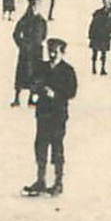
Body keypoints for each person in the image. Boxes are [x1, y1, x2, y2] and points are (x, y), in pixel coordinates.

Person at [23, 37, 79, 197]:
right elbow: (34, 82)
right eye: (50, 52)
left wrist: (55, 94)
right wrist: (35, 93)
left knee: (56, 146)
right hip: (43, 112)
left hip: (58, 114)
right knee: (40, 145)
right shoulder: (42, 67)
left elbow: (72, 91)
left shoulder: (68, 70)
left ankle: (58, 182)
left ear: (62, 52)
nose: (52, 54)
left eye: (55, 52)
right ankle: (40, 180)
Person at [11, 0, 47, 106]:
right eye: (32, 6)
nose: (34, 8)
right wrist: (21, 44)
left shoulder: (41, 20)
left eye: (36, 6)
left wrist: (38, 43)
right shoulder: (24, 19)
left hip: (36, 52)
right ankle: (17, 98)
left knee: (35, 75)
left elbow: (44, 35)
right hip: (25, 52)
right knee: (21, 74)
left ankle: (32, 98)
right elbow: (16, 34)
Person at [87, 0, 111, 76]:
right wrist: (90, 34)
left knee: (104, 53)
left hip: (105, 35)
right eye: (104, 1)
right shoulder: (98, 12)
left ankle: (102, 68)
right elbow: (93, 24)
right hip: (97, 34)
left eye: (107, 1)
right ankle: (94, 68)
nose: (106, 3)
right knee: (95, 52)